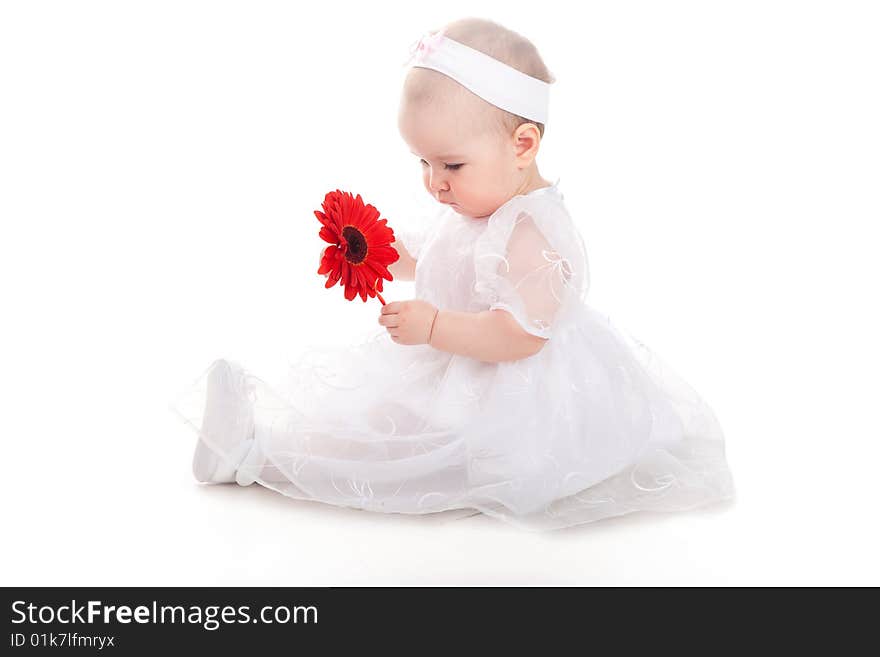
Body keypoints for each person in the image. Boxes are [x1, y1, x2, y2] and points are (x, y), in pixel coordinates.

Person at [170, 17, 735, 531]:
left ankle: (252, 455)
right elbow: (438, 256)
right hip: (449, 370)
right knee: (372, 418)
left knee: (405, 458)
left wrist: (436, 326)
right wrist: (372, 250)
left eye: (451, 164)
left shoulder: (534, 233)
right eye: (423, 162)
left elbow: (520, 336)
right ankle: (262, 439)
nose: (434, 183)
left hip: (508, 398)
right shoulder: (474, 202)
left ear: (522, 145)